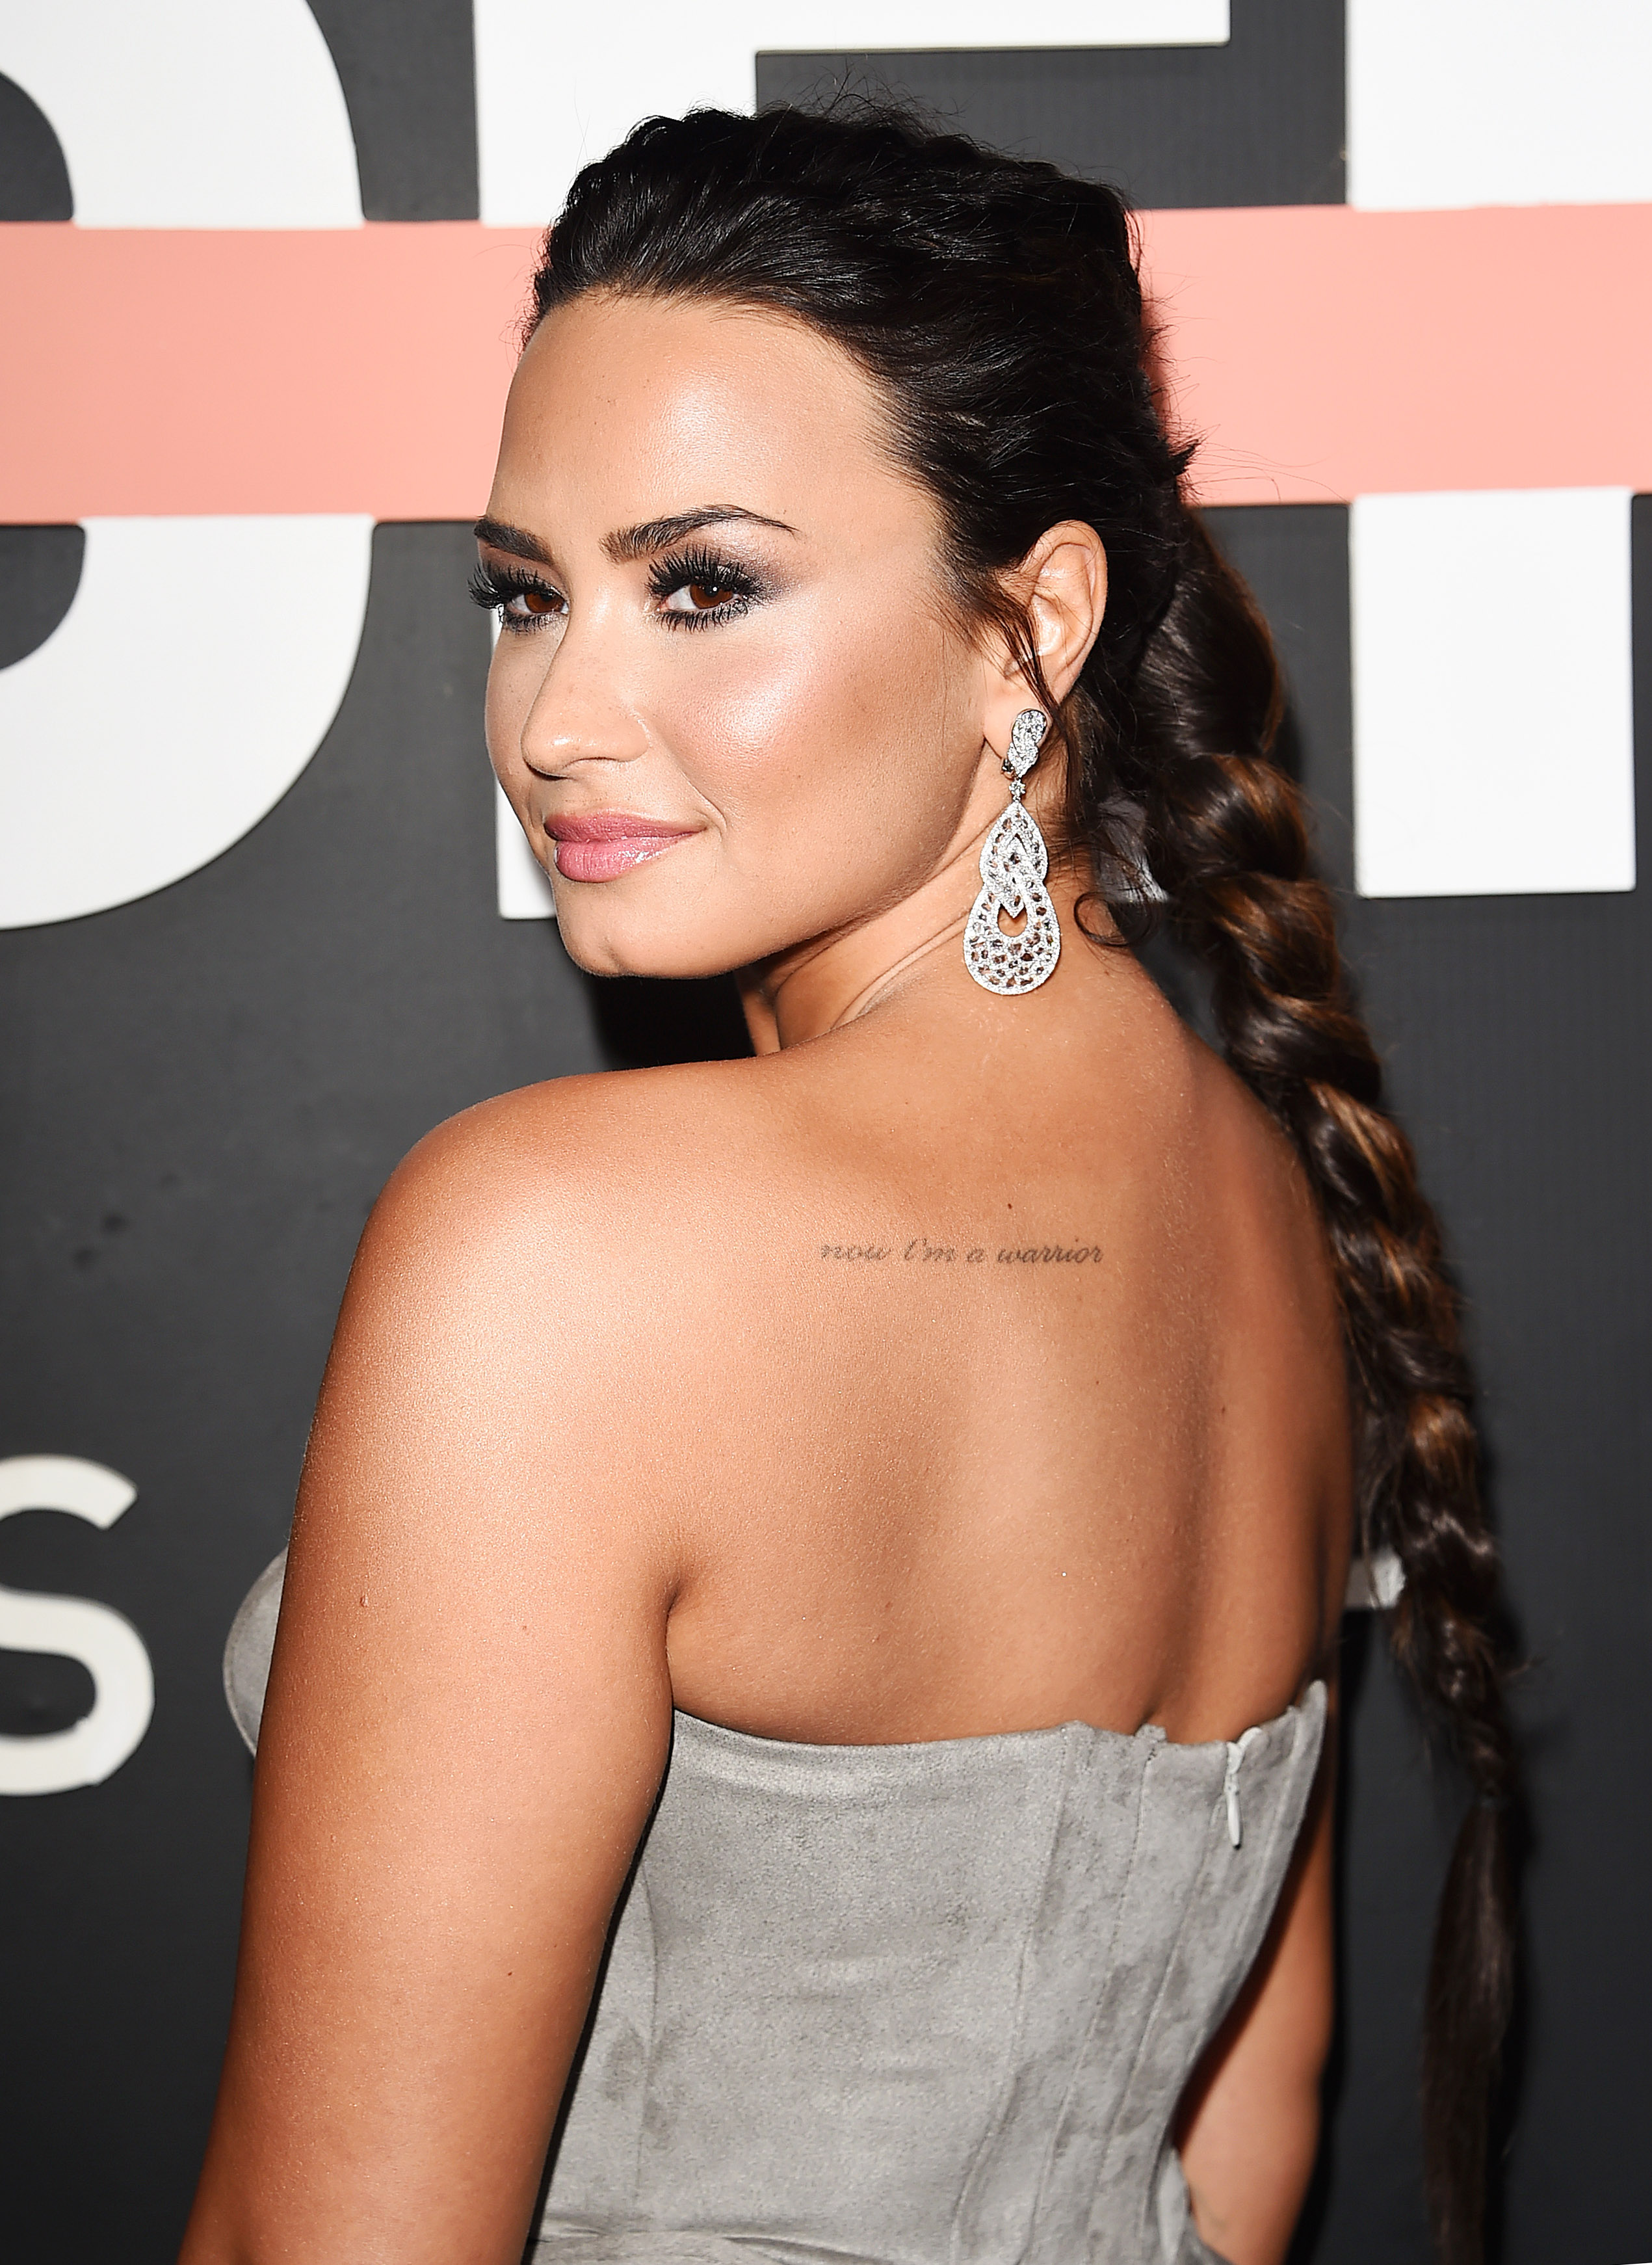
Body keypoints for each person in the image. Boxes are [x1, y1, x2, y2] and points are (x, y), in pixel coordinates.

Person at [186, 104, 1516, 2265]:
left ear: (1030, 628)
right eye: (526, 594)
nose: (557, 714)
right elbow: (1245, 2145)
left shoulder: (558, 1251)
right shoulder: (1279, 1210)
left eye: (703, 586)